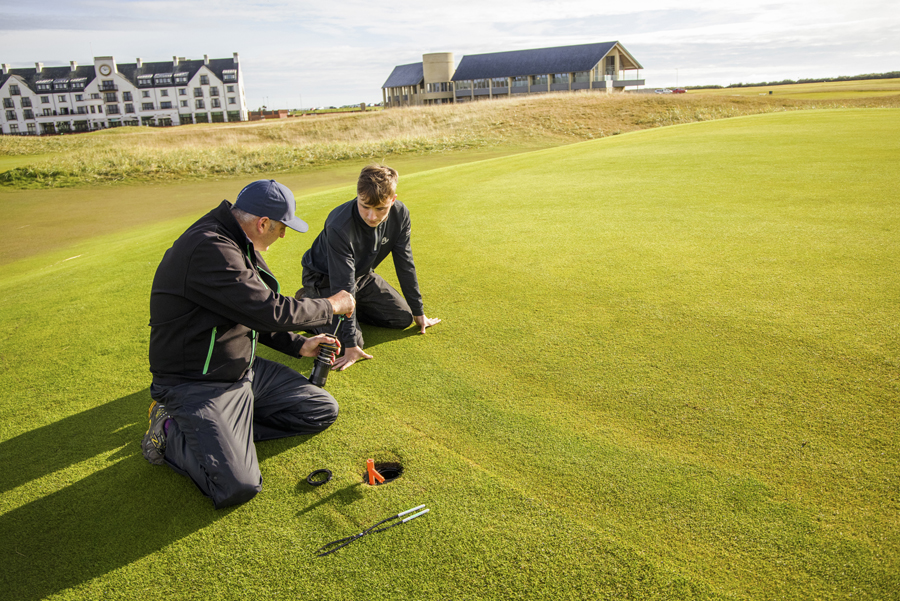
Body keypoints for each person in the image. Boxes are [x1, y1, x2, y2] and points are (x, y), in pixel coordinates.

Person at [143, 179, 355, 509]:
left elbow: (250, 310)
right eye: (282, 228)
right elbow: (269, 310)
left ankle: (224, 435)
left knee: (321, 410)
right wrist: (331, 305)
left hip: (243, 371)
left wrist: (299, 345)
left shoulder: (235, 240)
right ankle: (171, 431)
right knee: (238, 486)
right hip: (197, 383)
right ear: (262, 223)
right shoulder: (210, 249)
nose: (283, 235)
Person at [297, 164, 440, 370]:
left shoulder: (400, 215)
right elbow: (342, 284)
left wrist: (419, 311)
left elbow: (404, 262)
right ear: (357, 195)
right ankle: (309, 301)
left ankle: (348, 315)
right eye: (365, 206)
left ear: (393, 199)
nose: (372, 216)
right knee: (348, 342)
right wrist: (352, 344)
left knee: (402, 318)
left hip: (362, 277)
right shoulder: (339, 225)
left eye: (380, 208)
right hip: (324, 280)